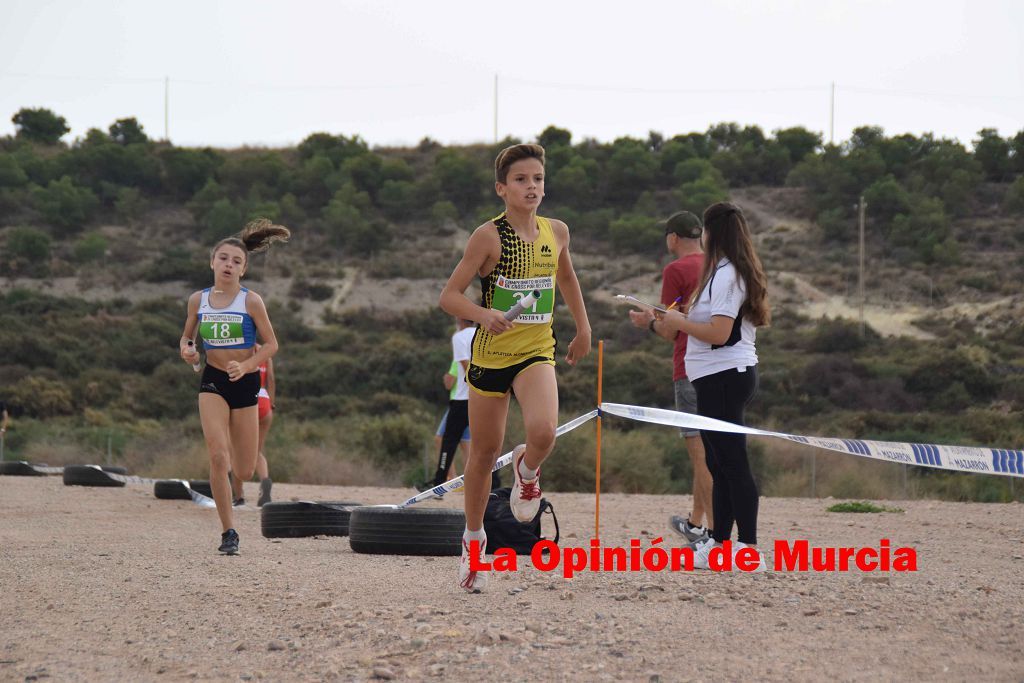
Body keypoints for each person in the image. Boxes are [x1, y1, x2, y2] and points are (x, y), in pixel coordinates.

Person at [440, 143, 592, 592]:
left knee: (544, 431)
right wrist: (484, 314)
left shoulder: (557, 231)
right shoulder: (488, 236)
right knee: (483, 456)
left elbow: (566, 278)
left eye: (538, 179)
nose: (532, 187)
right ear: (502, 189)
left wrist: (582, 327)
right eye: (522, 180)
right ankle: (473, 544)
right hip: (489, 357)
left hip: (535, 351)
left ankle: (527, 472)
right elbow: (448, 296)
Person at [651, 202, 770, 571]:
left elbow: (719, 333)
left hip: (726, 376)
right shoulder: (716, 273)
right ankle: (719, 544)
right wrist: (675, 319)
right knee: (719, 464)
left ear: (712, 232)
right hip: (710, 378)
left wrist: (679, 323)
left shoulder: (728, 275)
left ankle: (748, 548)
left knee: (734, 463)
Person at [179, 218, 289, 555]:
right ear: (212, 262)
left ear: (243, 270)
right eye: (223, 258)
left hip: (245, 383)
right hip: (213, 380)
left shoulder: (251, 301)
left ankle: (240, 481)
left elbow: (272, 345)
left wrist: (246, 365)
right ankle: (229, 532)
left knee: (244, 467)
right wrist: (187, 350)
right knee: (217, 456)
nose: (229, 264)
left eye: (236, 261)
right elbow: (187, 337)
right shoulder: (198, 300)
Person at [629, 211, 714, 544]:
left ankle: (716, 538)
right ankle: (695, 523)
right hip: (720, 367)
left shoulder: (676, 270)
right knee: (709, 452)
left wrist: (647, 321)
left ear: (673, 238)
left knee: (700, 456)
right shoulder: (716, 266)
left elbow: (669, 329)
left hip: (688, 368)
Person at [230, 347, 275, 507]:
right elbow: (270, 379)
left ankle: (238, 496)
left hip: (246, 401)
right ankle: (265, 481)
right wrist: (272, 404)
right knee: (255, 451)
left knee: (237, 451)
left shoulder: (239, 351)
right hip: (264, 401)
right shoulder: (264, 352)